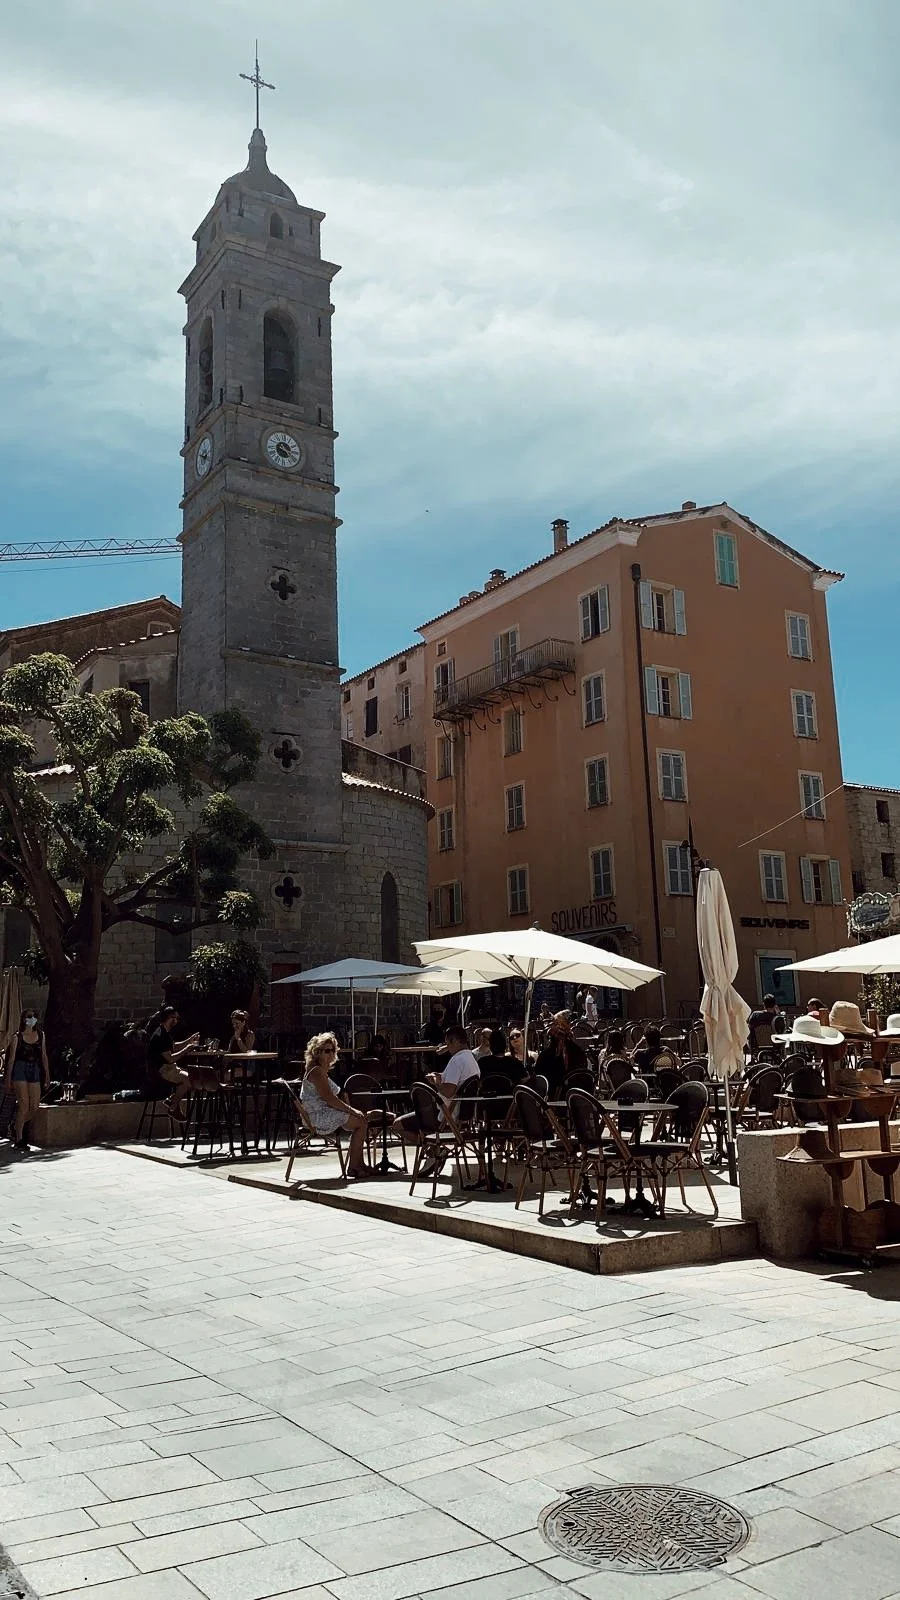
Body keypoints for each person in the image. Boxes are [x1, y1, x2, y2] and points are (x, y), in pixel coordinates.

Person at [300, 1031, 377, 1178]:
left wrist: (351, 1110)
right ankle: (354, 1166)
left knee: (362, 1121)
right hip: (316, 1117)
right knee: (360, 1122)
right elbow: (329, 1098)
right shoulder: (316, 1072)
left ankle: (359, 1165)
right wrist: (352, 1110)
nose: (330, 1054)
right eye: (326, 1051)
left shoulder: (323, 1071)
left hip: (324, 1112)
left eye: (332, 1050)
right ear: (317, 1052)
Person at [3, 1009, 50, 1151]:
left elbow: (43, 1056)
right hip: (20, 1068)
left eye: (35, 1016)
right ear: (24, 1019)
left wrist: (47, 1074)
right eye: (29, 1016)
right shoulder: (17, 1037)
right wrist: (8, 1078)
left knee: (34, 1105)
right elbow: (11, 1060)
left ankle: (16, 1125)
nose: (32, 1019)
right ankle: (19, 1138)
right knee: (23, 1104)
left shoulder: (41, 1035)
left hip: (34, 1069)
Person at [146, 1007, 199, 1120]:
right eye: (173, 1018)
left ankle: (172, 1102)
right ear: (167, 1018)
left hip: (170, 1068)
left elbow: (173, 1047)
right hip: (162, 1070)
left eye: (176, 1018)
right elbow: (170, 1058)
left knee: (192, 1078)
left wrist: (189, 1041)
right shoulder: (160, 1035)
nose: (175, 1020)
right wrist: (187, 1049)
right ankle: (173, 1106)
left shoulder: (165, 1033)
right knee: (190, 1080)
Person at [534, 1013, 589, 1095]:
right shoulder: (546, 1056)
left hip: (574, 1092)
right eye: (556, 1024)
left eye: (561, 1024)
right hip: (554, 1094)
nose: (559, 1027)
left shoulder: (577, 1052)